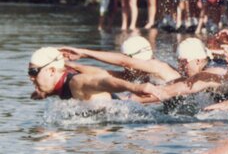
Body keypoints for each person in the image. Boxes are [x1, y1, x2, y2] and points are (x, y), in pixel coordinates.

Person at [28, 47, 163, 102]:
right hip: (123, 103)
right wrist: (45, 92)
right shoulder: (67, 73)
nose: (30, 77)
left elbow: (103, 82)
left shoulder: (76, 82)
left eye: (33, 72)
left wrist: (134, 87)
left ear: (51, 71)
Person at [60, 36, 181, 84]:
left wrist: (84, 53)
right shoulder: (137, 75)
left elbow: (124, 61)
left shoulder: (157, 66)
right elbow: (104, 74)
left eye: (128, 64)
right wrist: (71, 66)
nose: (126, 68)